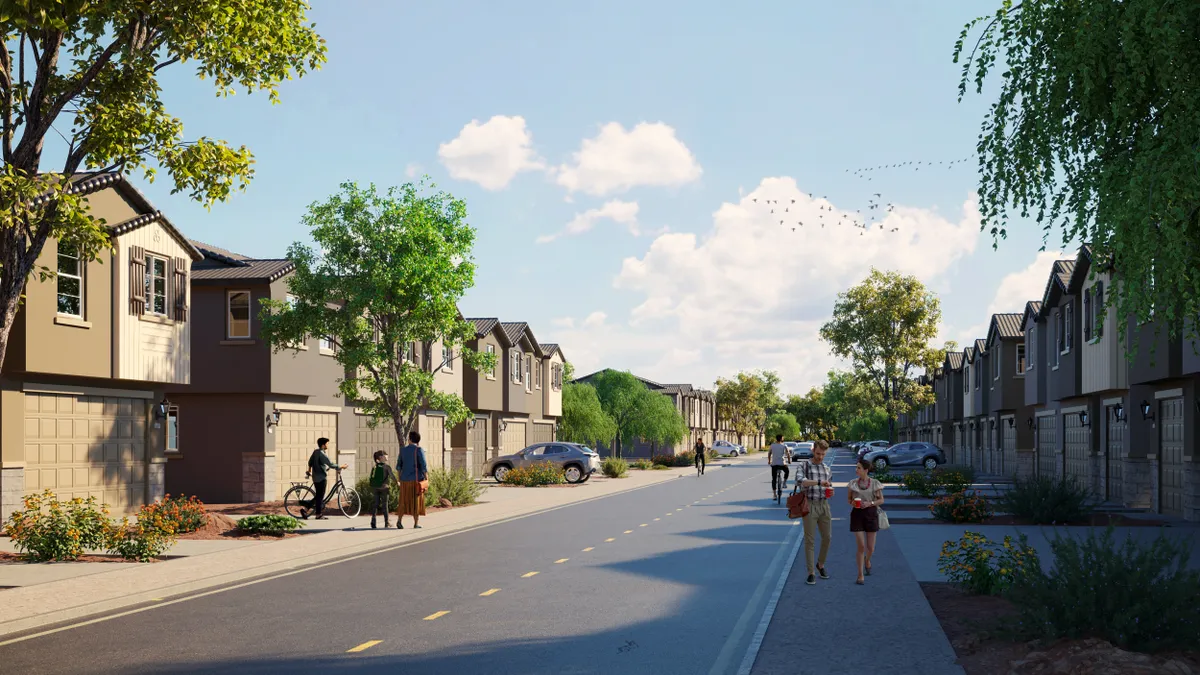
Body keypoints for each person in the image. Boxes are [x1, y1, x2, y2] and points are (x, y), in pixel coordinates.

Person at [797, 439, 833, 584]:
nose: (820, 457)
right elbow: (801, 481)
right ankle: (811, 572)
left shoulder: (826, 468)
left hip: (824, 505)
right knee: (810, 540)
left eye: (823, 454)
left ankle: (820, 564)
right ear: (813, 450)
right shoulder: (804, 465)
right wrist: (818, 483)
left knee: (827, 537)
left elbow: (829, 485)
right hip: (809, 505)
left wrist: (830, 490)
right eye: (818, 453)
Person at [847, 458, 884, 584]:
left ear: (865, 470)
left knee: (871, 548)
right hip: (857, 514)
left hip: (871, 514)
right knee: (861, 546)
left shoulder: (875, 483)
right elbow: (849, 500)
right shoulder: (852, 483)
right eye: (856, 467)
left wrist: (870, 503)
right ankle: (860, 574)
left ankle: (867, 560)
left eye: (859, 468)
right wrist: (853, 503)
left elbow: (881, 500)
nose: (856, 470)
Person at [302, 437, 346, 520]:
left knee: (318, 496)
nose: (328, 445)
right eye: (327, 443)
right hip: (321, 478)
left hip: (315, 477)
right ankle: (317, 514)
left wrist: (309, 470)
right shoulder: (322, 454)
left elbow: (310, 462)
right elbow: (330, 464)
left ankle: (306, 510)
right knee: (320, 497)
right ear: (323, 445)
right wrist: (341, 466)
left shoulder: (315, 452)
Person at [395, 430, 428, 529]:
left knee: (403, 501)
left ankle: (399, 521)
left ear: (409, 439)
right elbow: (423, 466)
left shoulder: (403, 450)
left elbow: (398, 466)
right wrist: (427, 478)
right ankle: (415, 523)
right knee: (416, 502)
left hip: (404, 480)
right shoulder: (418, 450)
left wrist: (399, 479)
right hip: (416, 481)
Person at [368, 450, 399, 529]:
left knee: (375, 505)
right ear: (381, 457)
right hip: (384, 488)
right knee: (385, 505)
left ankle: (373, 522)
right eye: (386, 455)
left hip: (376, 487)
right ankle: (386, 522)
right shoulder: (387, 467)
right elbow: (392, 476)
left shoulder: (375, 466)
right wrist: (397, 482)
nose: (387, 457)